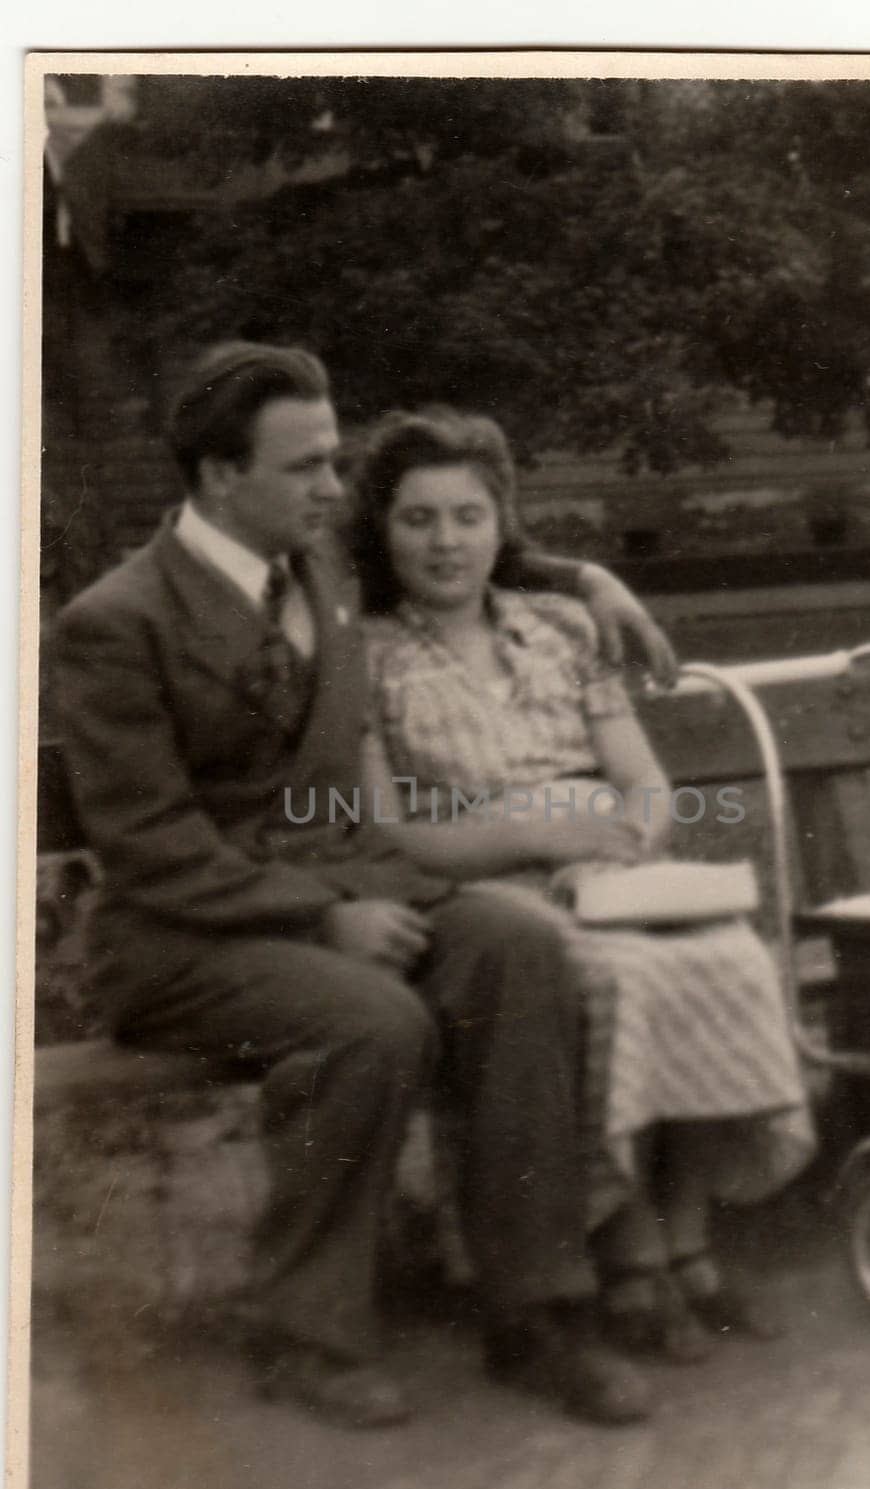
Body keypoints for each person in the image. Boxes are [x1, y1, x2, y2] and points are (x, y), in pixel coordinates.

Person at [55, 342, 678, 1428]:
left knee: (515, 946)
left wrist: (588, 578)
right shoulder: (120, 621)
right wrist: (321, 915)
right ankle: (306, 1332)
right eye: (307, 468)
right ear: (218, 476)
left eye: (337, 465)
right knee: (374, 1017)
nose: (337, 490)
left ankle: (532, 1309)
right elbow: (148, 844)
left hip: (343, 889)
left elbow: (479, 546)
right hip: (180, 937)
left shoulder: (320, 564)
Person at [352, 406, 816, 1363]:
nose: (446, 542)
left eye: (468, 516)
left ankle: (690, 1246)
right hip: (486, 900)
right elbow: (387, 827)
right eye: (418, 519)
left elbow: (644, 784)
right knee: (612, 984)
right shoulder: (364, 655)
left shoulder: (563, 627)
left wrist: (625, 846)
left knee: (726, 958)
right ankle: (630, 1253)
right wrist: (523, 831)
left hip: (607, 877)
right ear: (382, 529)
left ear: (501, 522)